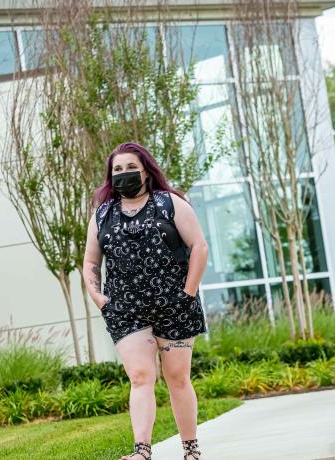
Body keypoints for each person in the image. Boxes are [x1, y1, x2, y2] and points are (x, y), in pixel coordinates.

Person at [83, 142, 209, 460]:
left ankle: (191, 450)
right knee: (140, 376)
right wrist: (100, 299)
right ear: (110, 176)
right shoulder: (102, 215)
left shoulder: (170, 203)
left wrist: (188, 293)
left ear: (146, 171)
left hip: (175, 304)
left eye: (130, 167)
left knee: (177, 377)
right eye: (117, 169)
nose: (124, 173)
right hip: (125, 309)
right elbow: (91, 262)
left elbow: (199, 246)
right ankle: (142, 451)